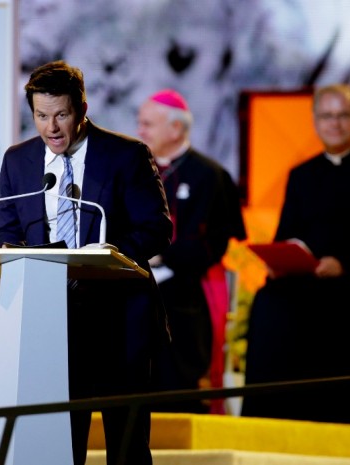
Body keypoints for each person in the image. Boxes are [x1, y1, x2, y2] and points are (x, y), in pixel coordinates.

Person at [0, 61, 172, 465]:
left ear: (82, 108)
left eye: (61, 115)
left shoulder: (127, 155)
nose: (51, 128)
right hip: (49, 322)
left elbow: (156, 230)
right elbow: (5, 231)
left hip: (119, 318)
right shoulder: (18, 161)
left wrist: (100, 255)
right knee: (57, 446)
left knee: (126, 449)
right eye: (41, 116)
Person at [241, 84, 350, 424]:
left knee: (327, 314)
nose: (334, 124)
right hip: (308, 281)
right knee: (269, 301)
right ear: (315, 121)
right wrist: (281, 263)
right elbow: (286, 235)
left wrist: (345, 264)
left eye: (342, 115)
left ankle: (326, 422)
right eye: (326, 116)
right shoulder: (302, 174)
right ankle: (266, 420)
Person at [137, 89, 247, 414]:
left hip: (186, 284)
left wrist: (165, 257)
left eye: (148, 124)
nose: (140, 131)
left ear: (175, 129)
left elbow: (216, 243)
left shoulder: (210, 175)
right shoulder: (137, 170)